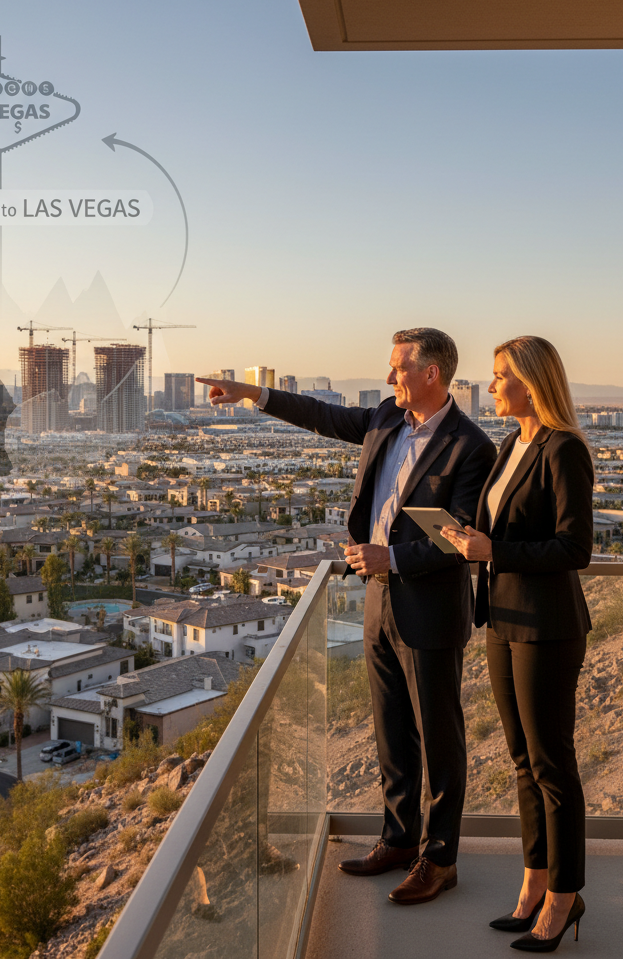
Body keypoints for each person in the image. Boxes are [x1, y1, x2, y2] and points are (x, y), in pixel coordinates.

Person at [198, 328, 495, 905]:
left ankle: (440, 859)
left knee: (440, 739)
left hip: (430, 609)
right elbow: (321, 415)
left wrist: (393, 557)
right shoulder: (385, 418)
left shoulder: (471, 446)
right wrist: (253, 394)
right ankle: (399, 840)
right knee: (391, 731)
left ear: (431, 373)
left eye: (398, 368)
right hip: (379, 601)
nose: (388, 378)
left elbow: (459, 539)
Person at [440, 337, 591, 951]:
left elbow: (575, 547)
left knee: (552, 765)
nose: (491, 384)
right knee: (523, 762)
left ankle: (566, 897)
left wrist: (493, 549)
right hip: (502, 619)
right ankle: (534, 884)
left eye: (500, 375)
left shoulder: (564, 448)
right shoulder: (511, 445)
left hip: (546, 627)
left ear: (532, 382)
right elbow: (503, 526)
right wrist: (467, 537)